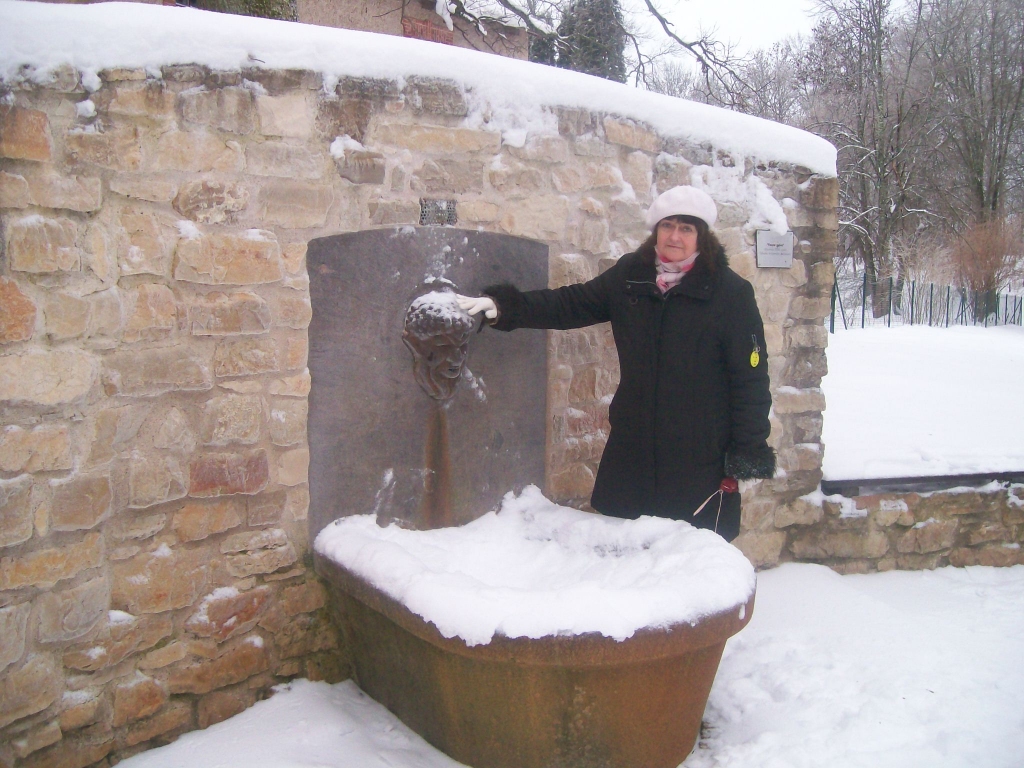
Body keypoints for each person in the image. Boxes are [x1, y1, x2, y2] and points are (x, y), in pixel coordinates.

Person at [456, 186, 774, 541]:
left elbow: (751, 380)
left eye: (687, 228)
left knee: (688, 558)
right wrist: (505, 307)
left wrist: (747, 449)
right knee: (622, 551)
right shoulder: (630, 277)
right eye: (668, 225)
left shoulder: (730, 293)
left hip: (698, 456)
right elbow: (571, 303)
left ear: (703, 237)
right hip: (632, 447)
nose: (675, 236)